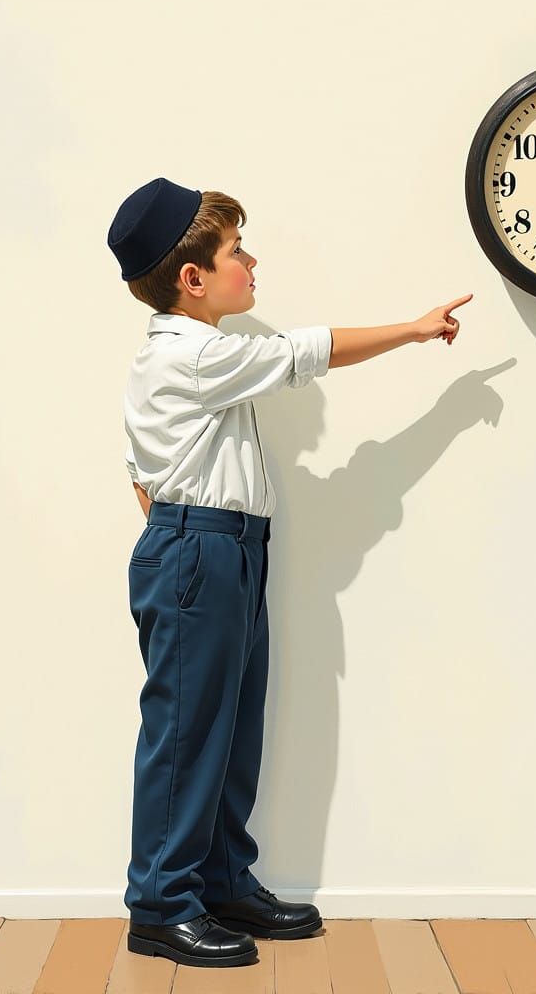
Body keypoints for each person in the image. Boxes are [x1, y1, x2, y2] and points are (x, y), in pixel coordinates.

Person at [107, 177, 470, 968]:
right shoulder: (193, 355)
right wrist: (412, 330)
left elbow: (139, 470)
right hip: (202, 553)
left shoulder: (186, 355)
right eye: (237, 250)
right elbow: (306, 350)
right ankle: (162, 907)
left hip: (223, 550)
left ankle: (221, 880)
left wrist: (198, 539)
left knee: (233, 729)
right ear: (191, 278)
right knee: (186, 735)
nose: (252, 261)